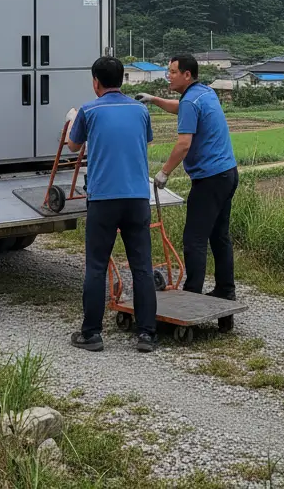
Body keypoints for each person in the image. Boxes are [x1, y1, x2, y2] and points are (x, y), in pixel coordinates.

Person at [65, 55, 158, 353]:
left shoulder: (89, 111)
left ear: (96, 82)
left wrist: (70, 121)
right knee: (142, 266)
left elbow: (73, 146)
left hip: (104, 199)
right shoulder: (141, 110)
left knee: (96, 266)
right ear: (121, 80)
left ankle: (91, 334)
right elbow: (145, 140)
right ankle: (146, 334)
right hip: (137, 198)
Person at [137, 55, 239, 313]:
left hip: (209, 179)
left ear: (187, 75)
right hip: (227, 173)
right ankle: (226, 291)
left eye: (172, 71)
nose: (168, 75)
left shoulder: (192, 100)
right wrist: (154, 100)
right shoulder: (203, 93)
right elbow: (180, 106)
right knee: (219, 236)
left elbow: (184, 143)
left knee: (194, 238)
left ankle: (192, 294)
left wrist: (164, 173)